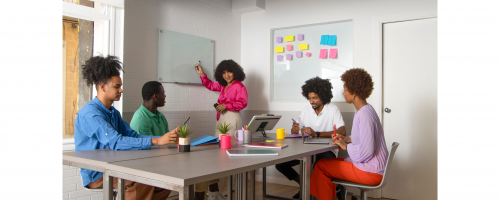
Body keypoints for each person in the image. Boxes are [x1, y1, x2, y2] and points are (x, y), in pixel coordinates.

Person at [75, 55, 179, 200]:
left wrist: (164, 139)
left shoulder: (113, 113)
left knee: (167, 178)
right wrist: (156, 141)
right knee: (146, 178)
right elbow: (116, 141)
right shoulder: (90, 114)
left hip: (116, 164)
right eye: (117, 87)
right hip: (98, 172)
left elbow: (133, 136)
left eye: (120, 86)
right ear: (103, 86)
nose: (121, 90)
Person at [310, 68, 389, 200]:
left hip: (371, 171)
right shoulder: (365, 110)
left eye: (345, 89)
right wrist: (346, 139)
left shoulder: (364, 114)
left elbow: (366, 151)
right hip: (374, 168)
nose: (343, 93)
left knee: (321, 166)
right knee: (323, 163)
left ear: (354, 92)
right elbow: (364, 138)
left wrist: (345, 146)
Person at [275, 76, 347, 199]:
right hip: (306, 149)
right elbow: (297, 130)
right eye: (309, 98)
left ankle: (337, 188)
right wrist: (295, 130)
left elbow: (342, 131)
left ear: (323, 97)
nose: (311, 101)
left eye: (315, 98)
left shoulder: (332, 109)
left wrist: (316, 134)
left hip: (327, 150)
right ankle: (305, 186)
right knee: (281, 164)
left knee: (318, 166)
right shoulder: (306, 110)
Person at [193, 60, 248, 200]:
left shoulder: (239, 86)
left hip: (231, 119)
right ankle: (215, 191)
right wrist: (202, 74)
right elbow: (211, 85)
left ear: (235, 71)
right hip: (221, 119)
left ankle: (227, 189)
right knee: (217, 153)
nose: (227, 75)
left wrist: (226, 105)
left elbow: (243, 103)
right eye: (223, 73)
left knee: (227, 154)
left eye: (229, 71)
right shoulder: (223, 86)